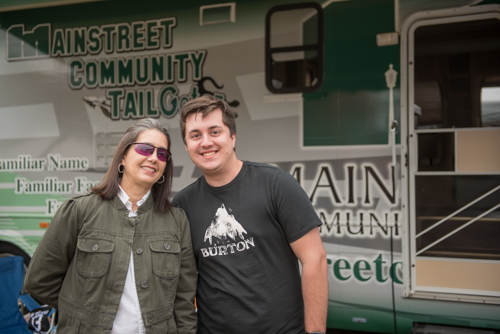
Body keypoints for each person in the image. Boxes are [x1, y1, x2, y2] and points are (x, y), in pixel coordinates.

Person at [24, 118, 197, 334]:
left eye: (162, 154)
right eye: (145, 149)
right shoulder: (79, 211)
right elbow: (39, 281)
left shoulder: (177, 221)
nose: (154, 158)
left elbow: (184, 302)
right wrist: (82, 312)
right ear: (123, 156)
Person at [172, 95, 328, 334]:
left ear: (232, 137)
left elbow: (314, 260)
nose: (205, 142)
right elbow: (184, 282)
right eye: (195, 135)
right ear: (186, 145)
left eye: (215, 132)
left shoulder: (276, 184)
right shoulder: (183, 204)